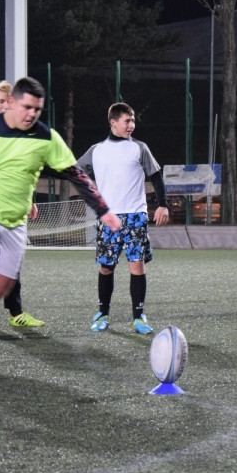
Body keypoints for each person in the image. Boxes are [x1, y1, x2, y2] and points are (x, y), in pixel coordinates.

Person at [0, 77, 119, 370]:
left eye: (37, 109)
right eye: (26, 107)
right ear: (12, 102)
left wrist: (103, 210)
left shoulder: (46, 137)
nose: (31, 114)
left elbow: (75, 174)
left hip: (15, 220)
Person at [76, 102, 169, 334]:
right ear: (113, 122)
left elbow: (156, 176)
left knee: (136, 265)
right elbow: (76, 173)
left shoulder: (139, 148)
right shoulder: (96, 150)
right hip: (109, 217)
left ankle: (138, 317)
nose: (132, 125)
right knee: (106, 267)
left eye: (133, 120)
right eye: (127, 121)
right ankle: (102, 313)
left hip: (135, 216)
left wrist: (163, 205)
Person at [0, 80, 45, 331]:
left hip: (12, 209)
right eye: (0, 101)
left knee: (12, 261)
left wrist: (30, 200)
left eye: (9, 102)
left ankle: (15, 313)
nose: (5, 106)